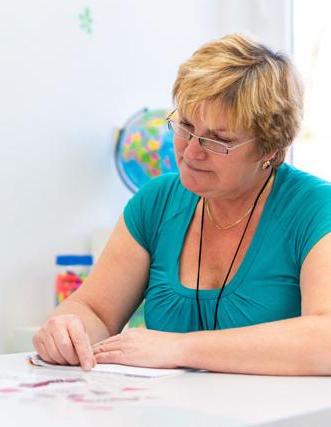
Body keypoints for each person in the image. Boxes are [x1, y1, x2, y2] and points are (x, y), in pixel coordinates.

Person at [33, 34, 331, 375]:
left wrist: (177, 347)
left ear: (271, 149)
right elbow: (96, 311)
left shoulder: (317, 208)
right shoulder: (156, 201)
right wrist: (68, 330)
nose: (191, 152)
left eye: (219, 140)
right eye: (186, 126)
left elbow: (326, 340)